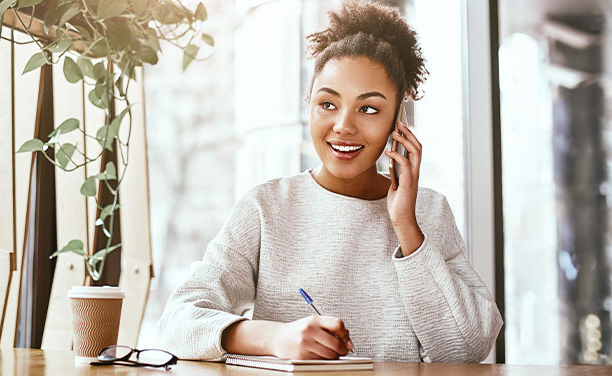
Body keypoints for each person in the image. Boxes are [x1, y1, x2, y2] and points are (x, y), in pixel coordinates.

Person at [157, 0, 503, 363]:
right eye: (327, 104)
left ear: (398, 118)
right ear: (309, 103)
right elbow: (177, 322)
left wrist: (406, 227)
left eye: (369, 109)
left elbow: (467, 349)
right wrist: (275, 337)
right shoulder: (267, 207)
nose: (343, 126)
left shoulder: (428, 211)